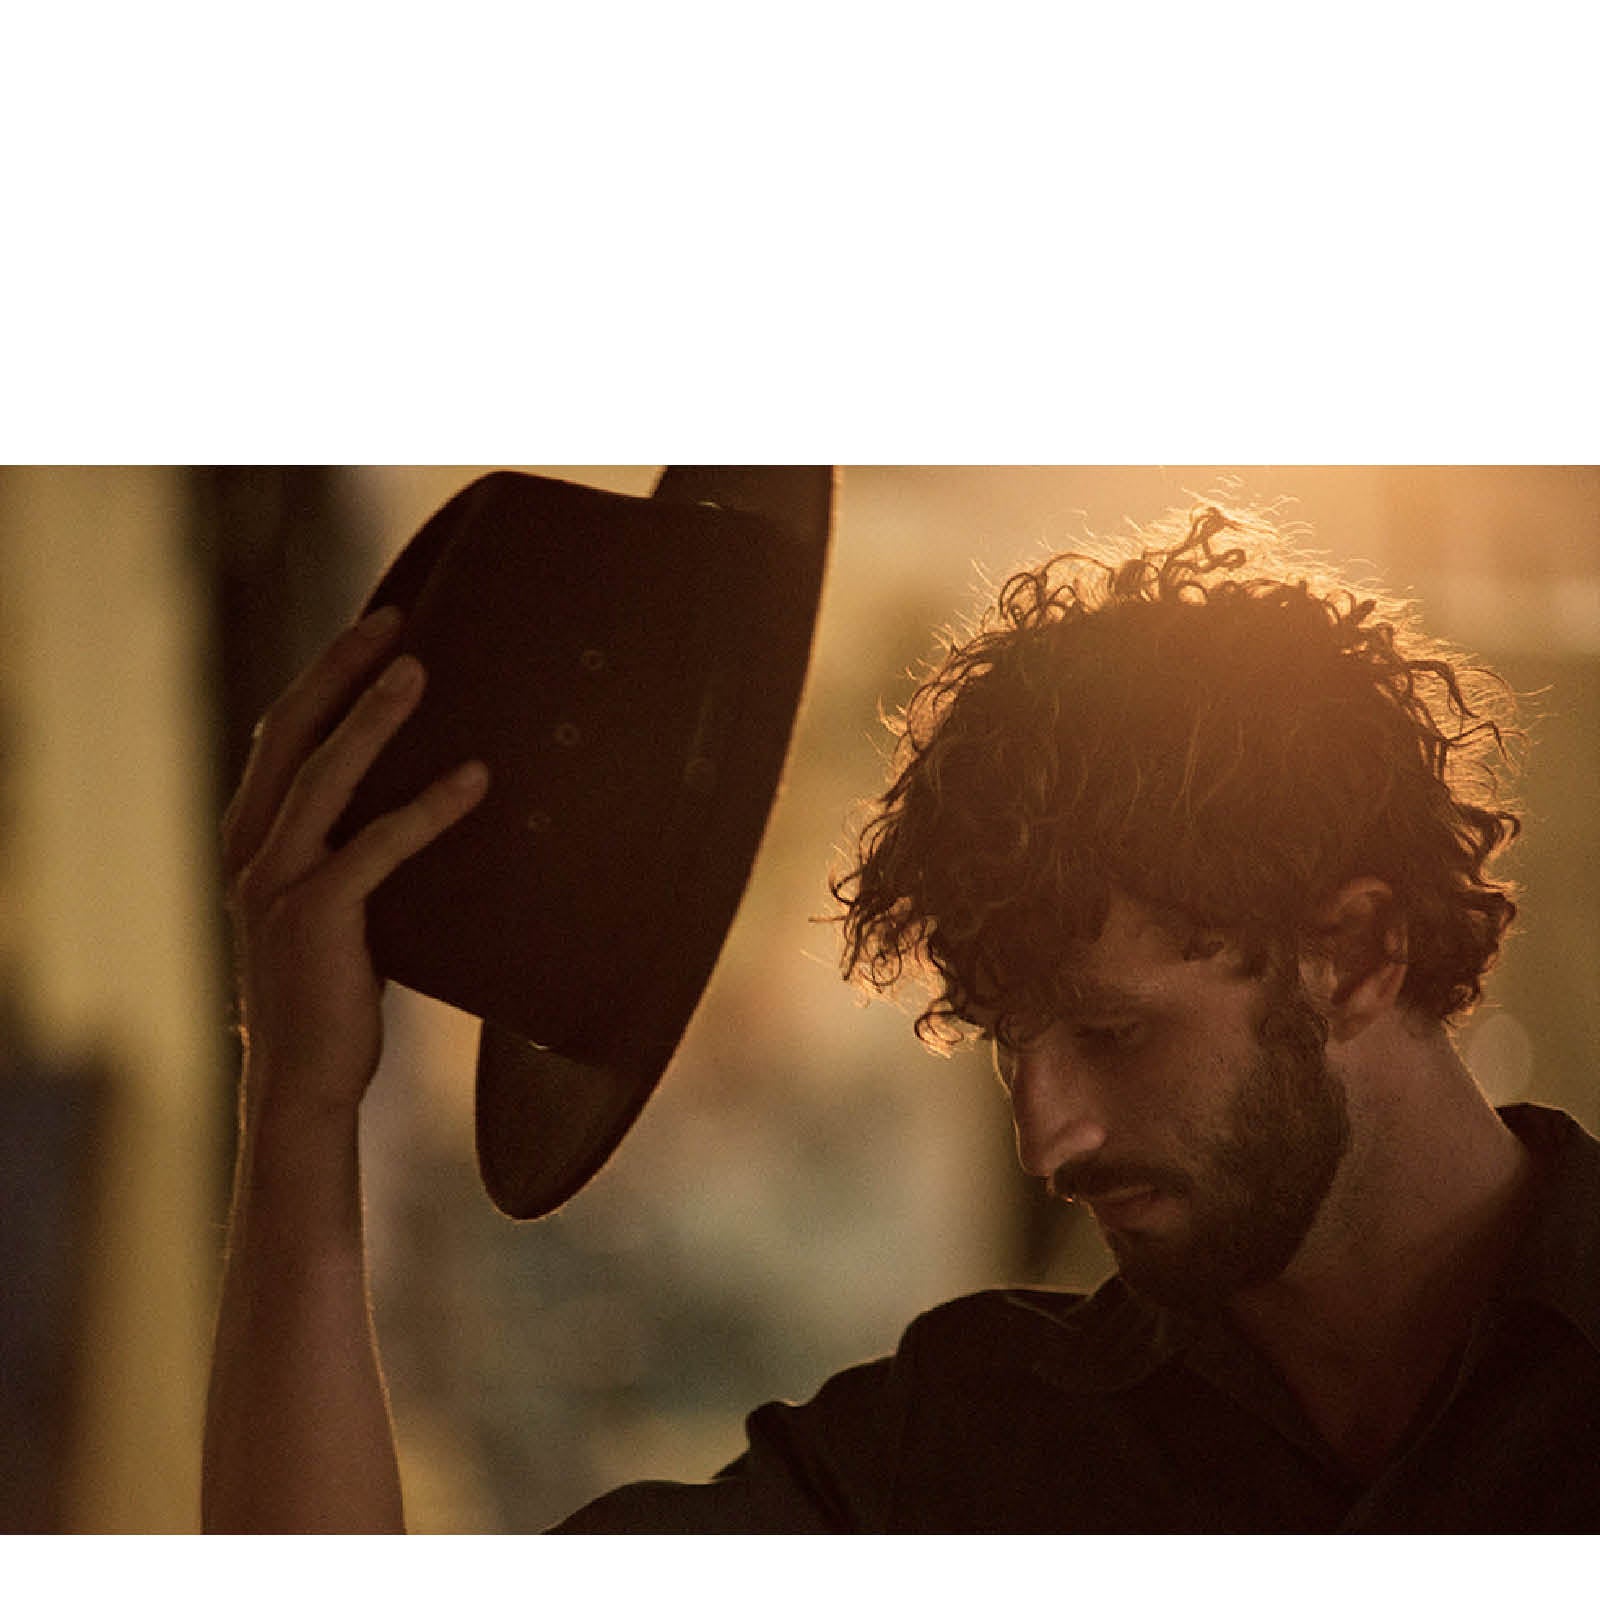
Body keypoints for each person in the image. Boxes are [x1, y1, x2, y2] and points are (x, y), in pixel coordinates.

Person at [203, 503, 1600, 1533]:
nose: (1048, 1139)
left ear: (1356, 952)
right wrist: (304, 1106)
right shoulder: (977, 1448)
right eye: (1010, 1045)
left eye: (1114, 1033)